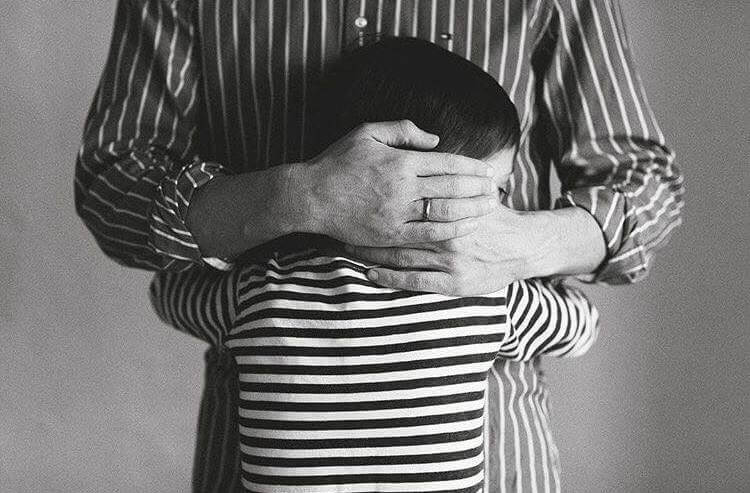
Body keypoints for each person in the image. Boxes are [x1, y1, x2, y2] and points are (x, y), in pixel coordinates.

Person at [75, 1, 684, 491]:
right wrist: (299, 195)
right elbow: (111, 189)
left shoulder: (257, 295)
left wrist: (515, 246)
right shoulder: (493, 308)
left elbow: (641, 184)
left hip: (505, 449)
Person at [149, 37, 601, 492]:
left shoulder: (257, 290)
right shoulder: (487, 296)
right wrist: (531, 269)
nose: (502, 209)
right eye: (496, 191)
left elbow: (168, 296)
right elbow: (581, 328)